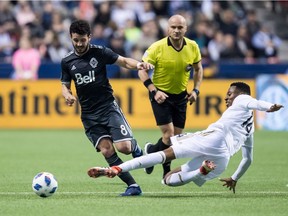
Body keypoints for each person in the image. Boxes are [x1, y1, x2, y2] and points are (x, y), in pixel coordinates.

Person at [87, 82, 283, 193]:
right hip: (223, 158)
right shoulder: (250, 130)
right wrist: (234, 177)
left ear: (238, 94)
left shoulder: (242, 99)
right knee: (167, 179)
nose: (227, 98)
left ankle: (118, 167)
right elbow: (248, 159)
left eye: (229, 94)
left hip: (214, 137)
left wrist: (269, 107)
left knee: (165, 155)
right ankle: (200, 172)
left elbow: (252, 102)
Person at [60, 20, 154, 196]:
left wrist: (139, 65)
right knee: (106, 150)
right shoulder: (67, 61)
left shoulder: (100, 52)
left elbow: (124, 61)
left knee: (124, 147)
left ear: (89, 37)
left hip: (108, 108)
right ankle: (133, 186)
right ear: (71, 38)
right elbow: (65, 85)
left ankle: (139, 151)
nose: (79, 44)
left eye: (82, 40)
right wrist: (67, 95)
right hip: (89, 115)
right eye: (76, 40)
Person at [138, 14, 203, 177]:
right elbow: (141, 70)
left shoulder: (193, 46)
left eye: (180, 27)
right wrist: (154, 90)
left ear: (185, 29)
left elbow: (198, 68)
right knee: (168, 134)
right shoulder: (157, 47)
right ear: (168, 29)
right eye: (173, 27)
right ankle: (167, 171)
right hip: (160, 94)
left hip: (181, 96)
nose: (176, 30)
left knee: (175, 139)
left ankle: (151, 151)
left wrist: (195, 90)